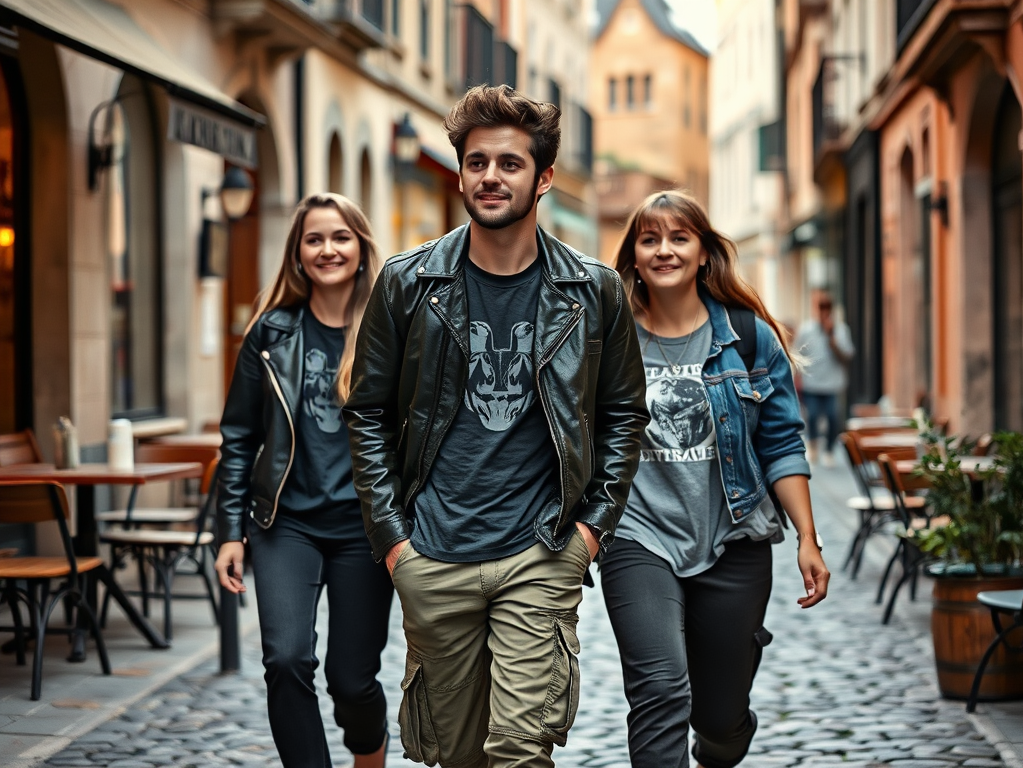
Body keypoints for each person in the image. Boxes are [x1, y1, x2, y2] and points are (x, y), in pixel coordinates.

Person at [343, 85, 649, 768]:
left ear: (543, 179)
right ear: (459, 173)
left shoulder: (593, 290)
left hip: (539, 551)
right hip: (434, 552)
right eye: (477, 162)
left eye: (510, 164)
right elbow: (366, 413)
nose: (490, 177)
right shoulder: (408, 282)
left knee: (517, 747)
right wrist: (395, 545)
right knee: (456, 755)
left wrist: (587, 536)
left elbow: (626, 412)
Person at [604, 190, 830, 768]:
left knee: (718, 719)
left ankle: (725, 729)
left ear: (703, 251)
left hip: (734, 539)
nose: (664, 250)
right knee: (659, 691)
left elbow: (779, 442)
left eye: (679, 237)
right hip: (638, 537)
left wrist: (807, 536)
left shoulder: (749, 338)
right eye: (649, 239)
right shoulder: (608, 338)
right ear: (633, 254)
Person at [214, 193, 391, 768]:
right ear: (298, 253)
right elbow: (239, 436)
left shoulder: (389, 331)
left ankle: (369, 752)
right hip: (285, 525)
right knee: (286, 661)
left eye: (340, 237)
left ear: (361, 248)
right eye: (314, 239)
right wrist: (230, 533)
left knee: (352, 679)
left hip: (366, 532)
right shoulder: (271, 333)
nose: (327, 249)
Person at [794, 292, 855, 467]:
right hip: (811, 382)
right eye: (820, 308)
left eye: (826, 308)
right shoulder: (806, 330)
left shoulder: (841, 330)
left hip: (833, 383)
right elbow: (797, 354)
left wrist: (832, 339)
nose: (823, 312)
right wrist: (797, 376)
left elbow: (847, 356)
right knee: (812, 416)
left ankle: (829, 449)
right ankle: (813, 445)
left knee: (833, 417)